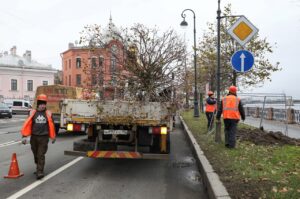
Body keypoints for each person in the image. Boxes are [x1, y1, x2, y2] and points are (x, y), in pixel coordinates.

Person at [21, 94, 56, 179]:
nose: (43, 106)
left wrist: (53, 136)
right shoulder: (32, 113)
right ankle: (38, 167)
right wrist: (24, 136)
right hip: (34, 137)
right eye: (41, 104)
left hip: (44, 137)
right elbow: (27, 125)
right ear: (38, 104)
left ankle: (40, 171)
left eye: (44, 104)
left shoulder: (48, 113)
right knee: (35, 154)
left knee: (41, 154)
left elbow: (52, 125)